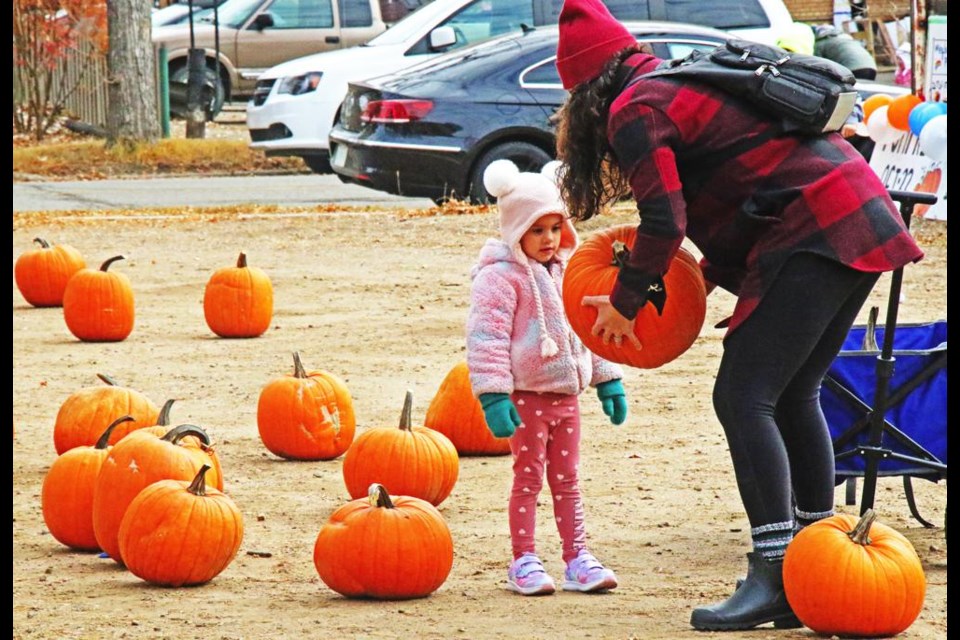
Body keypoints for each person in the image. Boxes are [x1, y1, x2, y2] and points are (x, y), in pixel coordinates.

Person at [552, 0, 924, 631]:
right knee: (793, 391)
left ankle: (777, 568)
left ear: (588, 91)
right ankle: (814, 560)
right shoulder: (679, 79)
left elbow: (663, 220)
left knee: (743, 395)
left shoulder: (635, 110)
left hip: (818, 227)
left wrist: (624, 302)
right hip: (858, 213)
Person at [465, 158, 627, 597]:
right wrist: (493, 396)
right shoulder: (499, 279)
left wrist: (606, 379)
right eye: (537, 230)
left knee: (568, 479)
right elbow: (486, 338)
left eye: (555, 228)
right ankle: (524, 560)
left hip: (566, 399)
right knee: (528, 479)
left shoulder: (569, 272)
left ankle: (577, 557)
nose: (548, 239)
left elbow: (588, 330)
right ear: (517, 228)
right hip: (525, 400)